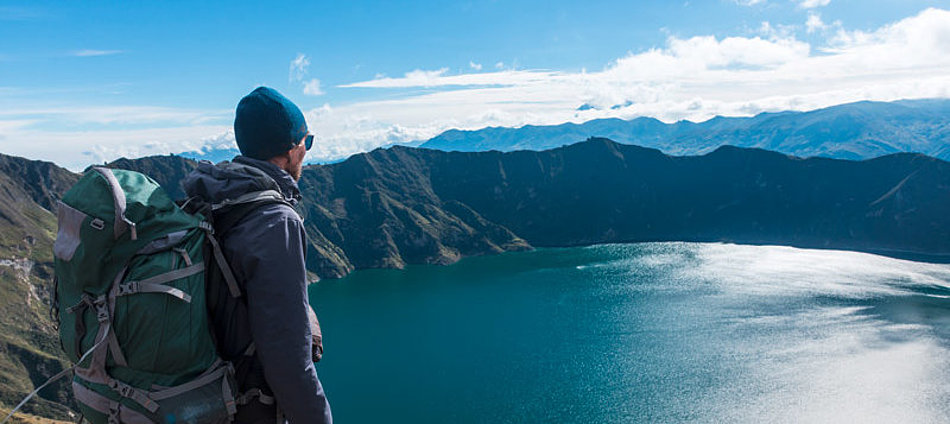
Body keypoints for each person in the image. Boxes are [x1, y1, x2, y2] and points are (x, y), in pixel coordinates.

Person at [182, 86, 332, 423]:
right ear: (291, 148)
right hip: (242, 407)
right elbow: (289, 359)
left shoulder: (208, 195)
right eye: (307, 142)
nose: (306, 152)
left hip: (196, 398)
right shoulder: (276, 222)